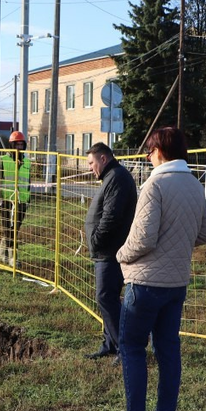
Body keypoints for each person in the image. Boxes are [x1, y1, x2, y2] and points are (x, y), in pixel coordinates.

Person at [104, 127, 206, 411]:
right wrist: (179, 244)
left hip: (146, 282)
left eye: (149, 152)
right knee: (168, 349)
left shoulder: (155, 184)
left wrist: (121, 255)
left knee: (132, 346)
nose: (148, 157)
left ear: (160, 151)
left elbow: (143, 237)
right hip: (177, 283)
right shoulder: (194, 184)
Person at [83, 143, 137, 364]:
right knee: (108, 298)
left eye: (91, 163)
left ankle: (124, 349)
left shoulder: (118, 178)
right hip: (105, 250)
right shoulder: (112, 177)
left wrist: (96, 240)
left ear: (103, 159)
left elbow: (111, 217)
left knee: (105, 297)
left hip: (110, 251)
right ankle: (109, 344)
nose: (89, 168)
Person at [0, 130, 31, 265]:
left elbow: (28, 182)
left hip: (21, 201)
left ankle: (1, 253)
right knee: (8, 228)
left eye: (21, 145)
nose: (19, 147)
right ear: (11, 145)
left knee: (15, 228)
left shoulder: (27, 162)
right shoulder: (3, 160)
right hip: (6, 200)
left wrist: (28, 200)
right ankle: (12, 258)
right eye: (17, 145)